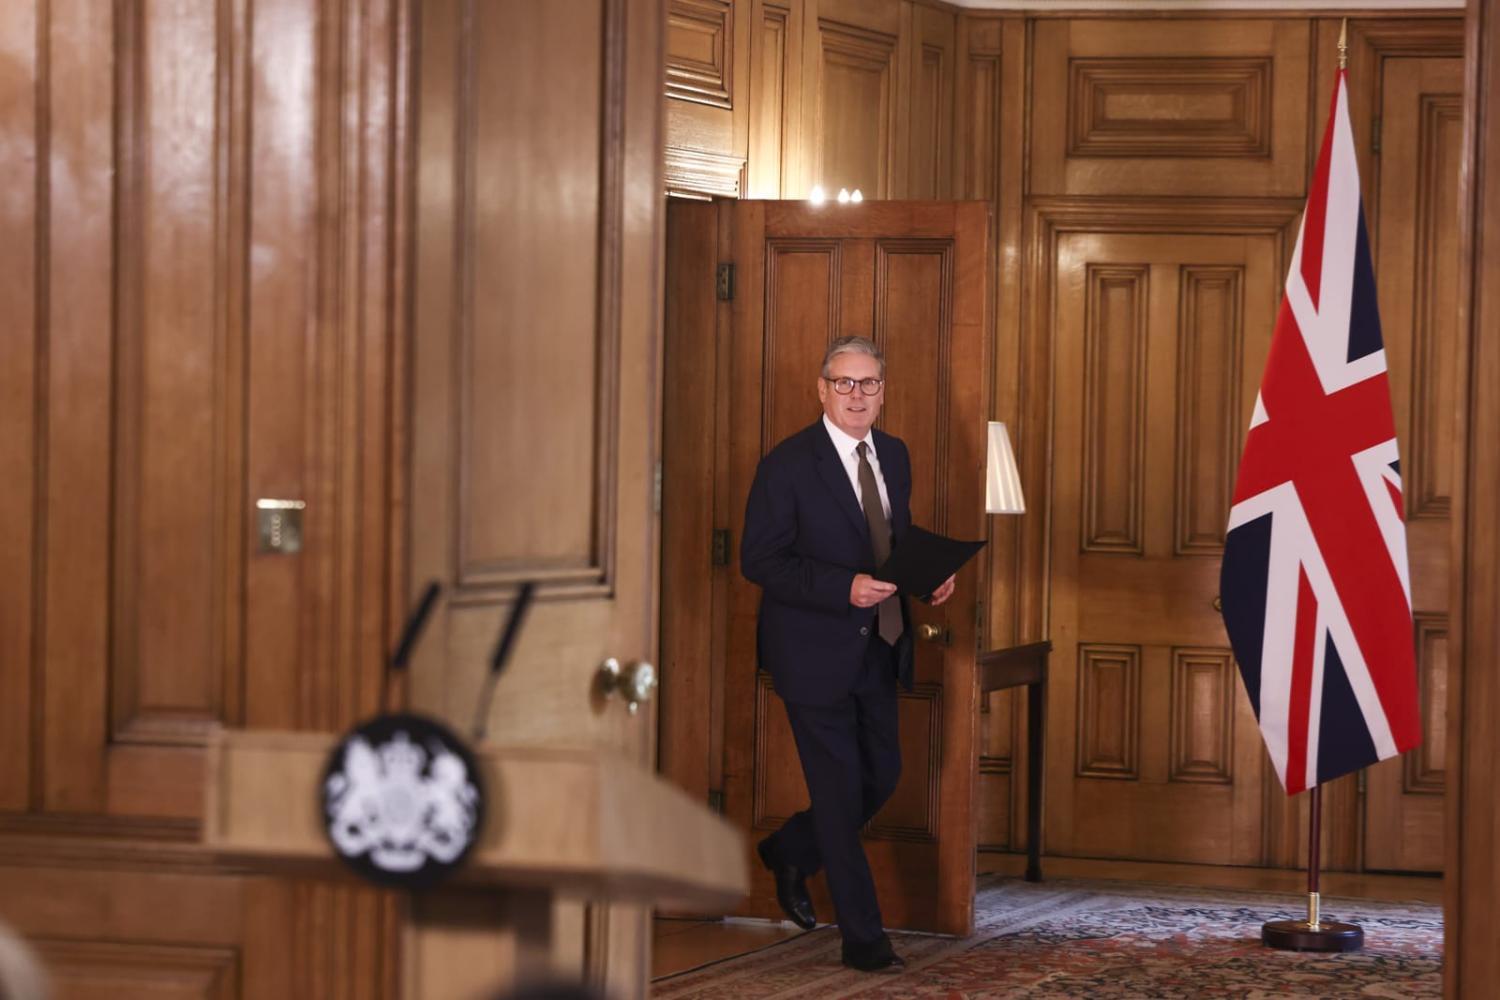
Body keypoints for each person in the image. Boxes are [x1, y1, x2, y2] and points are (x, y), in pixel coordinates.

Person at [740, 335, 955, 973]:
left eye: (868, 384)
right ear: (821, 388)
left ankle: (790, 849)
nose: (857, 395)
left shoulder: (894, 452)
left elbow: (892, 535)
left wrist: (929, 575)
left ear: (884, 390)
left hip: (882, 645)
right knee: (837, 795)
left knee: (881, 776)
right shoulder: (787, 464)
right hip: (812, 651)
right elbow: (761, 560)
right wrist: (843, 588)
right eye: (844, 383)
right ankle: (864, 939)